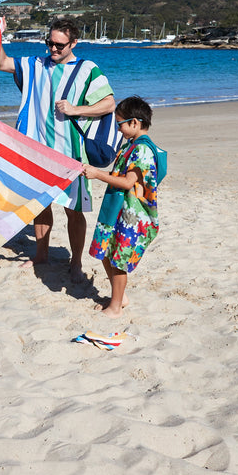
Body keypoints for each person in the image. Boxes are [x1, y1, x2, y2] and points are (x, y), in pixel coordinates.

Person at [0, 18, 116, 280]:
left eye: (59, 45)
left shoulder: (87, 69)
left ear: (74, 43)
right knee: (39, 205)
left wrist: (77, 109)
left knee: (73, 209)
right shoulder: (34, 65)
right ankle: (41, 255)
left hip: (70, 154)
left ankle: (76, 263)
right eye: (49, 43)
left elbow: (108, 104)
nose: (53, 49)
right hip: (36, 152)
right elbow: (1, 62)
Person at [83, 96, 161, 317]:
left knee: (118, 260)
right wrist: (95, 172)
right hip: (116, 208)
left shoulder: (142, 150)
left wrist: (98, 174)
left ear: (135, 123)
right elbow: (119, 175)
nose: (119, 130)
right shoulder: (131, 146)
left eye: (121, 124)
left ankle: (115, 307)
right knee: (107, 252)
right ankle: (120, 298)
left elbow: (128, 182)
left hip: (130, 214)